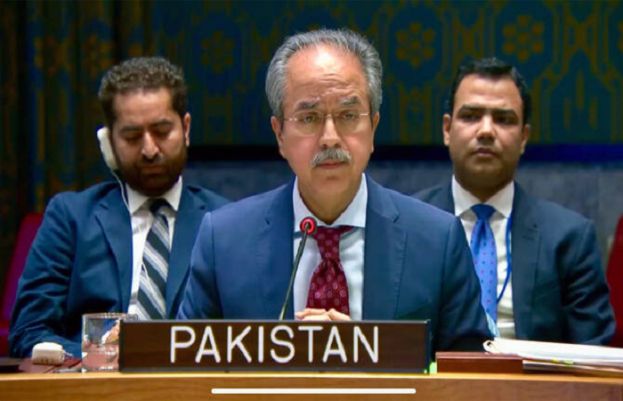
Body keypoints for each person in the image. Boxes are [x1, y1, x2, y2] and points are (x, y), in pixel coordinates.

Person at [178, 29, 491, 353]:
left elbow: (470, 370)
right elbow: (186, 366)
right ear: (280, 134)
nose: (330, 138)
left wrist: (365, 355)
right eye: (309, 118)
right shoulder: (224, 241)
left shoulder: (437, 241)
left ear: (373, 127)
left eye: (348, 115)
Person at [10, 57, 229, 357]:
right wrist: (106, 358)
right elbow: (28, 332)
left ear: (186, 128)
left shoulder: (226, 220)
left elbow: (247, 334)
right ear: (109, 142)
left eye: (162, 131)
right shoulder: (71, 218)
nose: (149, 149)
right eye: (132, 136)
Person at [416, 57, 615, 344]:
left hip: (533, 373)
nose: (486, 131)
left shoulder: (570, 238)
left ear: (523, 138)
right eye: (471, 116)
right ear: (447, 130)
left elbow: (594, 352)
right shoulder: (408, 227)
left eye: (503, 119)